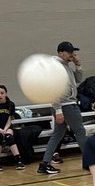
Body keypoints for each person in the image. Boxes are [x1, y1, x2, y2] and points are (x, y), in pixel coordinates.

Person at [37, 41, 86, 175]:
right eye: (70, 52)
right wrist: (58, 110)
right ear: (61, 53)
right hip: (66, 105)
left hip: (65, 105)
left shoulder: (65, 66)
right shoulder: (56, 67)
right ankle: (90, 161)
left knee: (57, 135)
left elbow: (78, 79)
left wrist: (78, 65)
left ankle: (44, 164)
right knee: (80, 131)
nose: (73, 55)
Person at [0, 85, 24, 170]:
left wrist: (5, 130)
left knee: (9, 137)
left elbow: (9, 120)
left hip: (7, 127)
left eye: (2, 93)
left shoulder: (10, 104)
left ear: (5, 93)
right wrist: (0, 130)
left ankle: (18, 159)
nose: (0, 95)